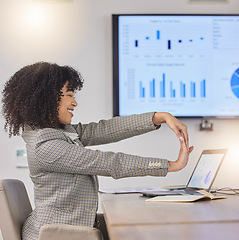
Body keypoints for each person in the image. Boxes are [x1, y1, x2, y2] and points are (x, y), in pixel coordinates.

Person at [2, 62, 193, 240]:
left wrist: (159, 117)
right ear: (47, 98)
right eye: (69, 95)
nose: (75, 103)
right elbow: (109, 163)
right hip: (55, 236)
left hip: (68, 231)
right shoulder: (45, 146)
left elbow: (105, 129)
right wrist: (172, 165)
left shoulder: (57, 134)